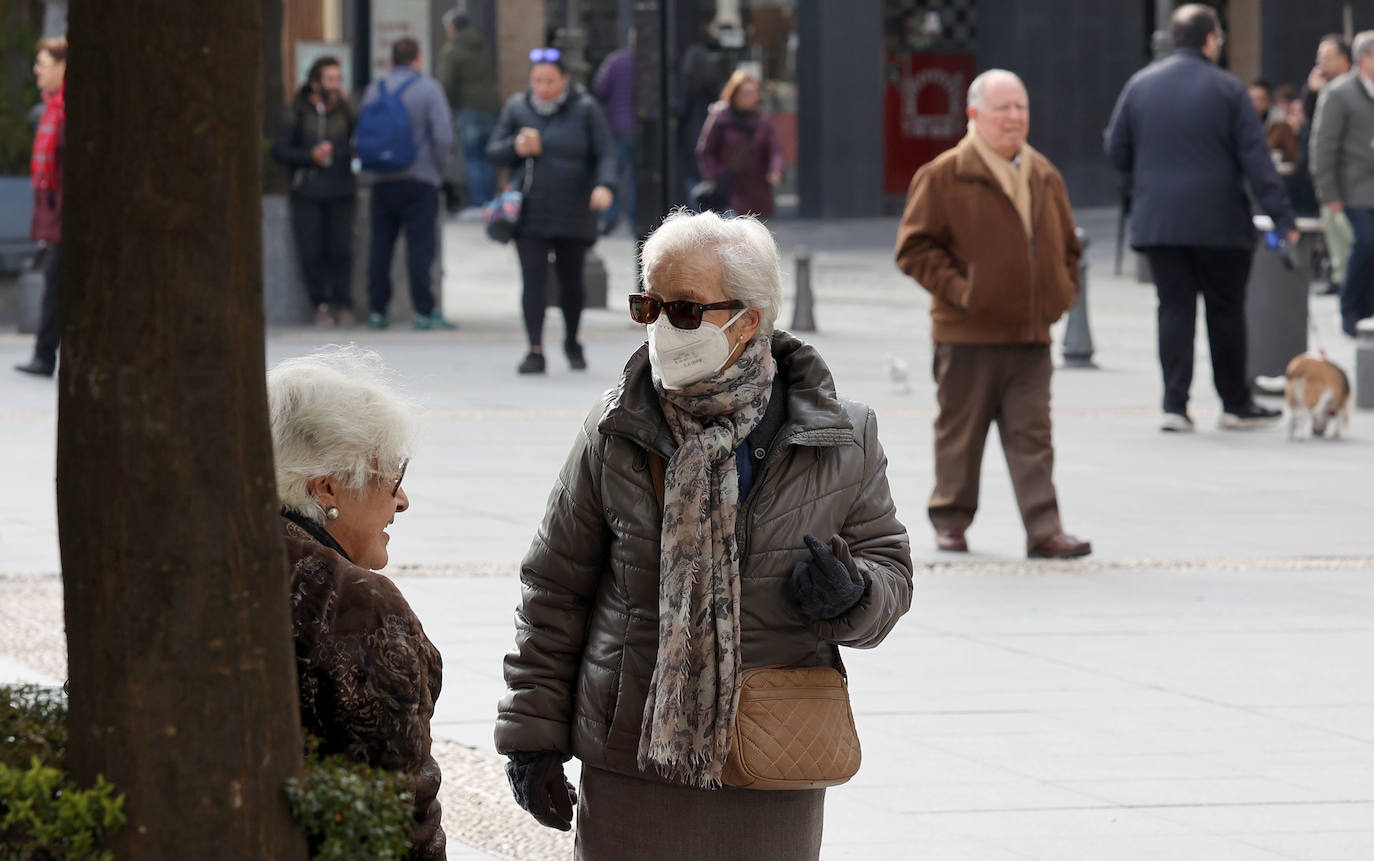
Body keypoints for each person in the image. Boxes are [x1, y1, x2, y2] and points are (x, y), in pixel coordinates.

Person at [495, 209, 913, 858]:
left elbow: (891, 567)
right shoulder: (615, 428)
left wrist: (853, 594)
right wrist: (531, 736)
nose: (663, 326)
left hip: (772, 752)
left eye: (686, 309)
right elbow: (554, 587)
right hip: (633, 753)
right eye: (649, 304)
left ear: (749, 318)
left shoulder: (842, 436)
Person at [895, 69, 1092, 560]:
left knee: (1034, 437)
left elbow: (1069, 247)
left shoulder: (1044, 173)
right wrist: (964, 292)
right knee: (960, 432)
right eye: (1002, 108)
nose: (1014, 117)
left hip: (1031, 335)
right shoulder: (944, 174)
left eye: (1020, 107)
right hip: (967, 334)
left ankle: (1044, 529)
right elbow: (914, 249)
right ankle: (951, 519)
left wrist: (1061, 293)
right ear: (974, 114)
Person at [266, 346, 444, 860]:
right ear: (325, 488)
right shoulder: (355, 604)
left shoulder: (210, 555)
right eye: (393, 476)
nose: (402, 500)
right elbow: (400, 809)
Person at [1106, 4, 1295, 432]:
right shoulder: (1229, 90)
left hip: (1160, 223)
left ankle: (1175, 405)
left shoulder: (1140, 85)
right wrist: (1283, 218)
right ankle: (1234, 403)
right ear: (1211, 39)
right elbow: (1257, 162)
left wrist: (1147, 184)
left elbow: (1116, 148)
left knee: (1173, 309)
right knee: (1225, 311)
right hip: (1220, 223)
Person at [487, 48, 615, 375]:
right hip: (530, 212)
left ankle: (572, 341)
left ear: (565, 81)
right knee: (534, 282)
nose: (543, 87)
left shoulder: (585, 109)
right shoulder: (518, 108)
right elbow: (493, 151)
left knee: (571, 282)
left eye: (550, 81)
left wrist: (605, 186)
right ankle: (535, 349)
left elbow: (605, 153)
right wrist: (516, 146)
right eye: (537, 81)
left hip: (574, 210)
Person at [361, 37, 455, 331]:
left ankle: (377, 310)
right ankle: (423, 312)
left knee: (380, 247)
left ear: (391, 60)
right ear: (417, 59)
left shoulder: (374, 90)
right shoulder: (429, 89)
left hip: (382, 179)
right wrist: (438, 169)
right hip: (420, 179)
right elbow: (443, 136)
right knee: (420, 248)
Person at [271, 56, 358, 328]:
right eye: (330, 79)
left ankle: (342, 302)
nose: (335, 85)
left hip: (341, 189)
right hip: (308, 190)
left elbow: (360, 140)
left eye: (338, 79)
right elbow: (280, 149)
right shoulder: (297, 110)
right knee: (312, 250)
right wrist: (310, 156)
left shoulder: (345, 109)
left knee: (341, 249)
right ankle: (319, 303)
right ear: (315, 82)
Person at [1310, 30, 1374, 337]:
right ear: (1365, 58)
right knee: (1364, 242)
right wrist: (1328, 193)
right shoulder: (1339, 93)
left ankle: (1368, 311)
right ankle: (1350, 309)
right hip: (1353, 190)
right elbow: (1323, 146)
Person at [15, 36, 66, 379]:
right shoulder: (52, 108)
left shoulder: (65, 111)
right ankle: (44, 355)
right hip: (57, 214)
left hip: (67, 216)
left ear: (64, 67)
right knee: (56, 281)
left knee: (56, 282)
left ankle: (45, 356)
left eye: (43, 64)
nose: (36, 71)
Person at [436, 8, 501, 216]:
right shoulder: (482, 43)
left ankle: (478, 203)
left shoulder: (452, 49)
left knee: (473, 157)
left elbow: (446, 83)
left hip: (470, 108)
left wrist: (449, 105)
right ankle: (490, 203)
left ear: (452, 27)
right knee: (488, 156)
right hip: (492, 105)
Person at [1303, 34, 1354, 297]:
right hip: (1331, 176)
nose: (1320, 62)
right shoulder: (1324, 88)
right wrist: (1312, 93)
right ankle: (1340, 278)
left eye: (1326, 57)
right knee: (1337, 233)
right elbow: (1315, 134)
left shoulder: (1357, 88)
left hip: (1356, 177)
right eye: (1319, 57)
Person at [696, 70, 785, 218]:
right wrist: (714, 176)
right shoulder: (720, 116)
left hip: (756, 189)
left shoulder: (762, 119)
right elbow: (705, 151)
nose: (751, 97)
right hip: (729, 188)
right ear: (735, 93)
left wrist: (775, 169)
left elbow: (774, 149)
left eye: (754, 93)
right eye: (746, 93)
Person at [592, 38, 636, 235]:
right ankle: (635, 218)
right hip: (639, 130)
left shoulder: (615, 61)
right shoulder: (647, 63)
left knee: (612, 175)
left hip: (617, 127)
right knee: (635, 178)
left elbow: (600, 88)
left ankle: (611, 216)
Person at [677, 24, 724, 204]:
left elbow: (682, 111)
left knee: (693, 179)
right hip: (710, 133)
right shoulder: (714, 84)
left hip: (692, 135)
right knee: (709, 176)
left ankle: (697, 217)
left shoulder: (687, 85)